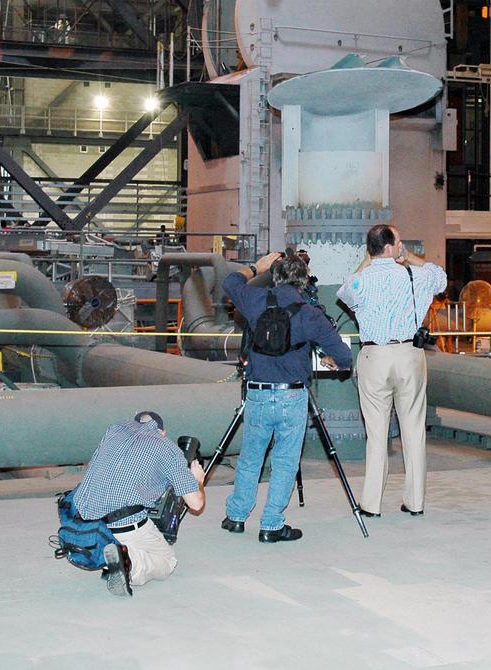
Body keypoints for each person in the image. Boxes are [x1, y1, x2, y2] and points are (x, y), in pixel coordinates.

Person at [220, 251, 353, 543]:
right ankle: (271, 524)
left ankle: (237, 516)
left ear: (275, 276)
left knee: (251, 457)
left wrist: (257, 267)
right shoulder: (310, 313)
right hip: (291, 397)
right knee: (284, 462)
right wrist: (333, 361)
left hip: (257, 393)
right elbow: (344, 357)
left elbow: (229, 282)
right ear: (304, 281)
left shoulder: (255, 300)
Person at [339, 224, 447, 517]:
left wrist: (367, 260)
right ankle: (415, 502)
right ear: (390, 246)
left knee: (376, 433)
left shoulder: (360, 281)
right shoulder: (415, 274)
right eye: (399, 242)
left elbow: (346, 291)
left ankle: (371, 504)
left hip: (374, 355)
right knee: (413, 429)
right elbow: (441, 278)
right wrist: (408, 257)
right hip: (409, 355)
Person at [73, 410, 205, 597]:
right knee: (167, 561)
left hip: (87, 518)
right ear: (163, 432)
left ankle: (110, 553)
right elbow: (196, 504)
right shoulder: (166, 447)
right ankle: (129, 562)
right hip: (123, 523)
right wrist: (197, 479)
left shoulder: (115, 429)